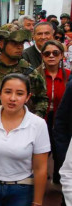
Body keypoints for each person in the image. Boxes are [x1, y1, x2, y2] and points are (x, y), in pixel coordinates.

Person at [0, 73, 50, 206]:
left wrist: (37, 203)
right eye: (8, 92)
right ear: (0, 94)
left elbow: (41, 168)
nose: (12, 98)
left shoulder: (38, 125)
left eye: (19, 94)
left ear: (27, 97)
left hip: (21, 190)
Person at [37, 40, 70, 184]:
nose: (51, 56)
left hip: (62, 121)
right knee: (41, 151)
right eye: (47, 53)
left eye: (55, 53)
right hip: (41, 120)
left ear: (62, 55)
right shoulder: (36, 75)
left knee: (60, 151)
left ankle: (60, 178)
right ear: (42, 56)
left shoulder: (68, 75)